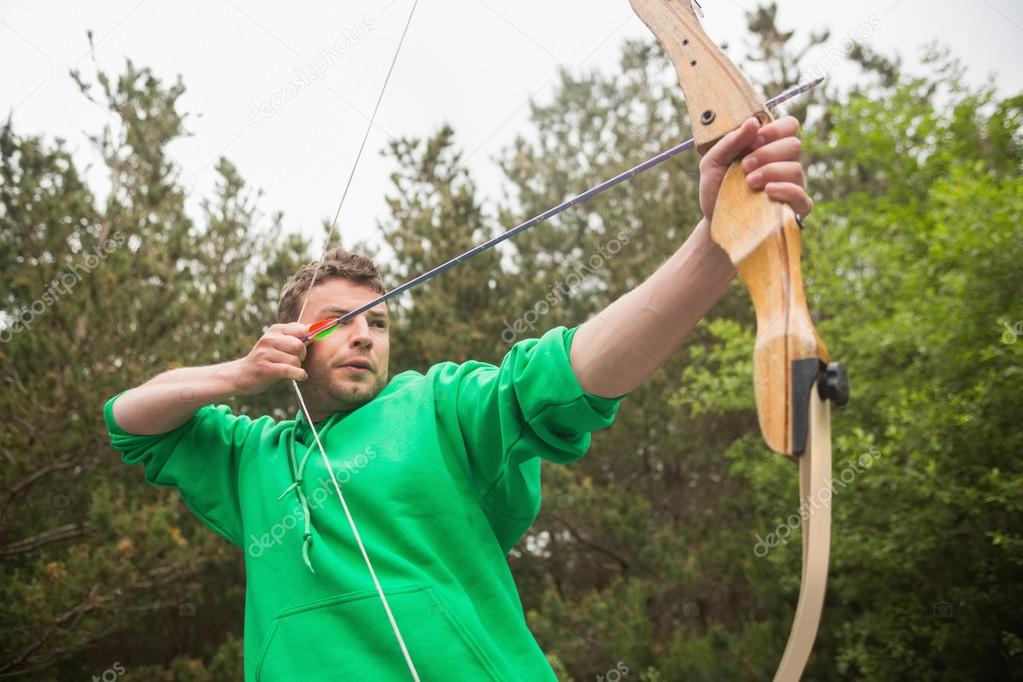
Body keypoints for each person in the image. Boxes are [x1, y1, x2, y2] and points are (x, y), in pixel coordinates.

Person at [104, 117, 813, 681]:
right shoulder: (248, 459)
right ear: (291, 338)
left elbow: (571, 373)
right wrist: (237, 375)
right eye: (336, 322)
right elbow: (129, 419)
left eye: (377, 322)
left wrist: (721, 243)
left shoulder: (435, 406)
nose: (363, 336)